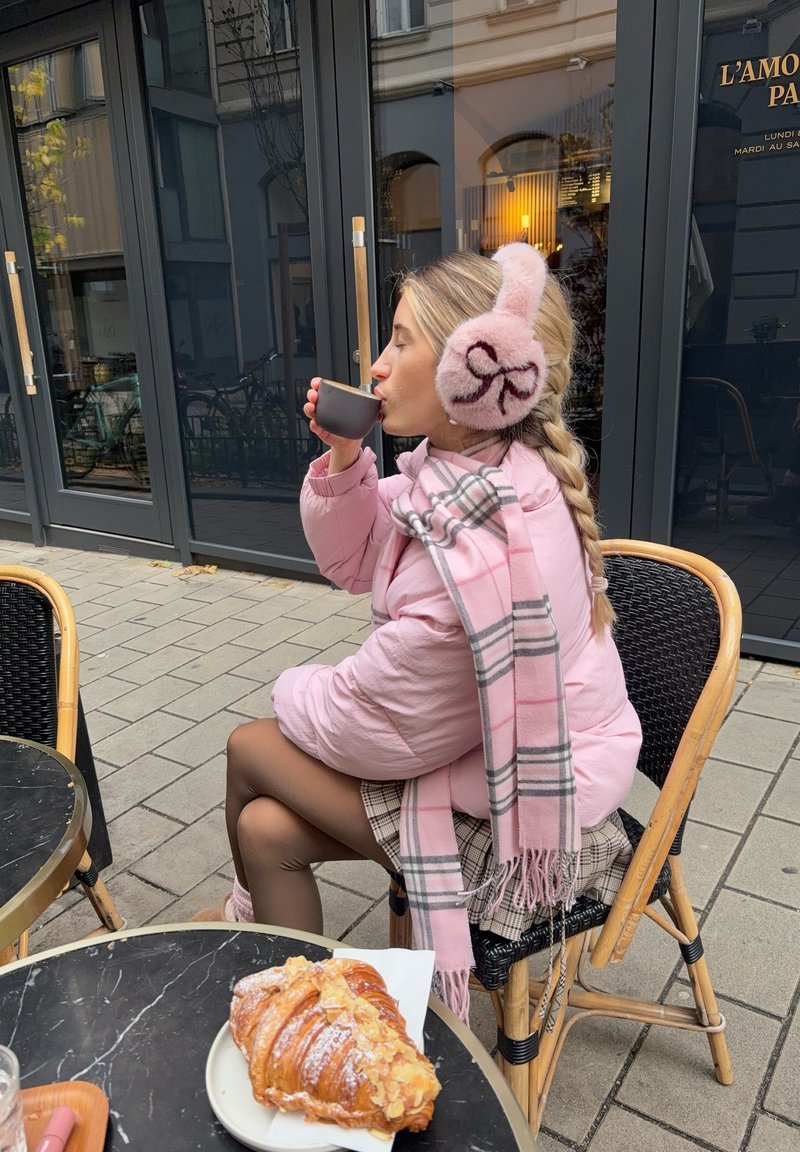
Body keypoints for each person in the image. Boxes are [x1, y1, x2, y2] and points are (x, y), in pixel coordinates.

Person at [195, 242, 642, 1022]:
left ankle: (271, 973)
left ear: (475, 367)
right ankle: (300, 1020)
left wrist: (292, 685)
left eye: (401, 341)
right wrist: (343, 464)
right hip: (491, 758)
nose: (374, 364)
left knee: (248, 744)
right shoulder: (470, 471)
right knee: (265, 829)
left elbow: (375, 729)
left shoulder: (479, 559)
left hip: (524, 820)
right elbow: (362, 559)